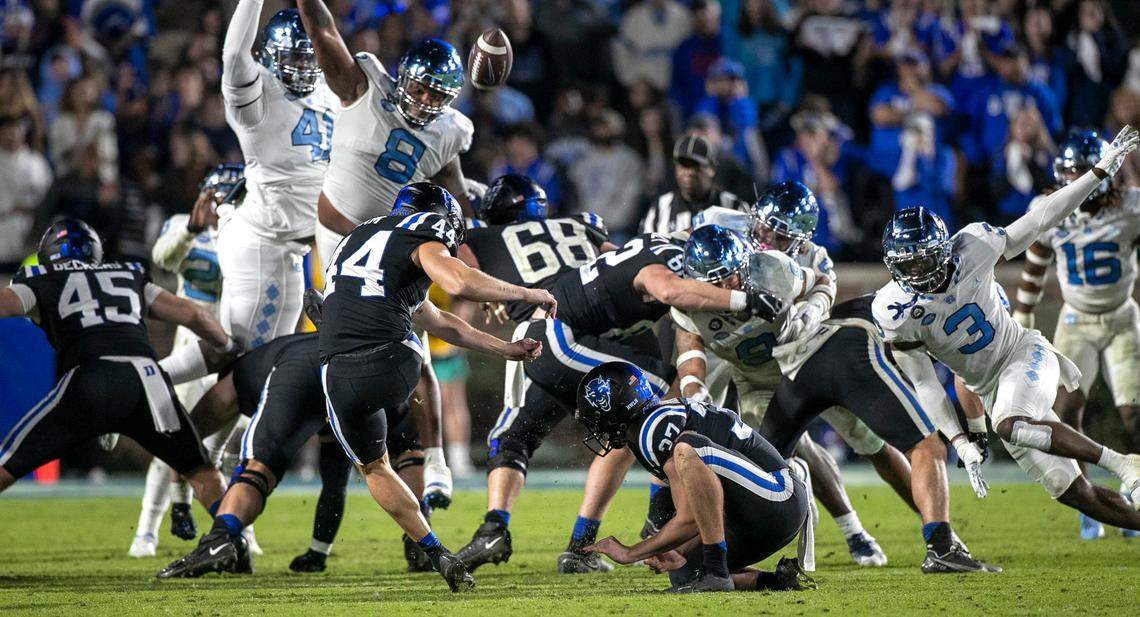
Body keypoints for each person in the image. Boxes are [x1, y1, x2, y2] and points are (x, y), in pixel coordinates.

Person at [455, 207, 785, 575]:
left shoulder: (648, 247)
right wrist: (743, 301)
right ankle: (650, 521)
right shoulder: (667, 263)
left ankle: (523, 533)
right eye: (721, 278)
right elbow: (668, 288)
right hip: (559, 338)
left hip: (548, 335)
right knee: (644, 411)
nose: (726, 286)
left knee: (531, 433)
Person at [873, 125, 1140, 540]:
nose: (919, 273)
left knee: (1011, 423)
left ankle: (1124, 463)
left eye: (925, 261)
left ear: (944, 250)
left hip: (1022, 353)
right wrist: (961, 441)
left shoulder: (974, 246)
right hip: (989, 387)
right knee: (1074, 492)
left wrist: (1098, 174)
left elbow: (1041, 218)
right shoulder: (893, 310)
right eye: (908, 266)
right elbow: (925, 381)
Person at [319, 182, 555, 592]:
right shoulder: (424, 228)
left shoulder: (356, 238)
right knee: (416, 343)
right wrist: (527, 293)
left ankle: (432, 547)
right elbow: (458, 283)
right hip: (394, 363)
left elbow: (440, 318)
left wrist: (504, 349)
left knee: (374, 466)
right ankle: (435, 461)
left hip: (336, 374)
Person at [296, 2, 475, 503]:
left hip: (387, 256)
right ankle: (315, 455)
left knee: (415, 354)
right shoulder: (361, 90)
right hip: (338, 246)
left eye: (436, 94)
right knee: (319, 359)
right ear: (403, 79)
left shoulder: (448, 133)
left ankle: (435, 461)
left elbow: (456, 204)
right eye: (420, 88)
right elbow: (323, 31)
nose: (424, 100)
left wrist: (472, 253)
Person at [675, 204, 901, 568]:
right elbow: (688, 344)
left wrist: (812, 311)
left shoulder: (771, 267)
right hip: (757, 380)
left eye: (729, 277)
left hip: (808, 359)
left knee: (871, 441)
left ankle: (939, 531)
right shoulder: (688, 297)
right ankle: (851, 532)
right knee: (783, 457)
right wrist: (692, 387)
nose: (724, 288)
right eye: (711, 282)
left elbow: (823, 282)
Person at [0, 220, 234, 516]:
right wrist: (227, 347)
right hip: (148, 381)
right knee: (199, 469)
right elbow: (194, 315)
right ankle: (231, 535)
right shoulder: (128, 274)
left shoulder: (40, 279)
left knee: (10, 461)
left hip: (92, 378)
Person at [154, 332, 432, 577]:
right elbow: (334, 478)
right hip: (356, 367)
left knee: (257, 470)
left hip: (296, 371)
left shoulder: (240, 373)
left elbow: (187, 441)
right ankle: (421, 540)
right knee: (406, 449)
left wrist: (180, 502)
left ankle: (221, 539)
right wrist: (318, 552)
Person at [576, 361, 813, 593]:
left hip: (780, 496)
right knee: (683, 570)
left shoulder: (655, 428)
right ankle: (776, 581)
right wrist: (679, 551)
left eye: (597, 417)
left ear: (617, 407)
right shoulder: (651, 427)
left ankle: (717, 574)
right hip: (756, 509)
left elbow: (688, 520)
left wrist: (631, 552)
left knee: (688, 448)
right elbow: (696, 512)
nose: (597, 428)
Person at [1013, 131, 1140, 539]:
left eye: (1081, 173)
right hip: (1075, 320)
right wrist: (1024, 313)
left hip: (1122, 317)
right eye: (1070, 173)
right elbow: (1035, 265)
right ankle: (1091, 502)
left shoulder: (1131, 208)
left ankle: (1134, 488)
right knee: (1066, 410)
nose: (1075, 181)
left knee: (1133, 414)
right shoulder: (1052, 211)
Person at [130, 164, 261, 558]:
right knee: (173, 441)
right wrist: (191, 229)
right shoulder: (183, 224)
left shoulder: (253, 231)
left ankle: (239, 528)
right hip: (194, 345)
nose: (223, 204)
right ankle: (147, 530)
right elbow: (162, 260)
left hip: (234, 348)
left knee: (234, 448)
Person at [217, 5, 336, 350]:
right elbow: (234, 54)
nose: (302, 67)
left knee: (269, 352)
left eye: (308, 57)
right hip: (261, 240)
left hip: (292, 245)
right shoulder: (259, 94)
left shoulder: (327, 91)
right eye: (293, 58)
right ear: (269, 55)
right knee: (247, 354)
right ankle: (154, 389)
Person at [641, 134, 746, 236]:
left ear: (712, 168)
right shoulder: (659, 210)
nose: (689, 172)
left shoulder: (735, 208)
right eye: (683, 164)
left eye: (695, 165)